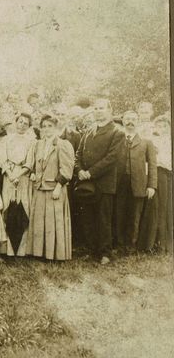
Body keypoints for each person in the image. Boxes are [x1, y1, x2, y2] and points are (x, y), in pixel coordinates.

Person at [75, 98, 125, 264]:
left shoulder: (117, 132)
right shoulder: (89, 130)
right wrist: (80, 170)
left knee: (104, 219)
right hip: (86, 183)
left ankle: (105, 253)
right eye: (96, 108)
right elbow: (78, 155)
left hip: (104, 183)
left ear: (110, 111)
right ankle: (91, 250)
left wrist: (90, 173)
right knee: (88, 218)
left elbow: (112, 158)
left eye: (101, 108)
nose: (98, 111)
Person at [27, 115, 75, 260]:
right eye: (44, 126)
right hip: (40, 188)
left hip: (55, 188)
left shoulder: (63, 144)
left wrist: (59, 186)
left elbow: (67, 168)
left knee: (55, 222)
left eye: (50, 126)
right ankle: (39, 253)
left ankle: (56, 254)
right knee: (40, 222)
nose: (47, 129)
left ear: (56, 128)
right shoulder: (38, 144)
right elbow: (35, 164)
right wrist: (34, 173)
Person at [113, 110, 157, 249]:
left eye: (133, 119)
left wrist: (151, 186)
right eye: (127, 119)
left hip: (138, 183)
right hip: (119, 183)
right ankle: (118, 243)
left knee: (134, 215)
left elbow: (152, 165)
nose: (130, 121)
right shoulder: (117, 139)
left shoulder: (146, 142)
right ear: (123, 120)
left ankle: (131, 244)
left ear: (137, 121)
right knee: (118, 213)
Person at [0, 113, 36, 256]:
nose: (22, 125)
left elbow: (30, 161)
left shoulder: (32, 141)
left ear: (29, 126)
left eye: (25, 123)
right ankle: (6, 249)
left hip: (23, 177)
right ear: (15, 122)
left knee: (23, 208)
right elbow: (2, 158)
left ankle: (21, 250)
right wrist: (10, 174)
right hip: (9, 176)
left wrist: (19, 175)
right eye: (20, 122)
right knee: (8, 207)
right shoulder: (6, 140)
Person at [138, 115, 172, 253]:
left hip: (168, 175)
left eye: (165, 126)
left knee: (166, 208)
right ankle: (151, 243)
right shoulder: (153, 141)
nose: (162, 128)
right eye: (159, 126)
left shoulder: (169, 140)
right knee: (154, 207)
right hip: (156, 174)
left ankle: (164, 244)